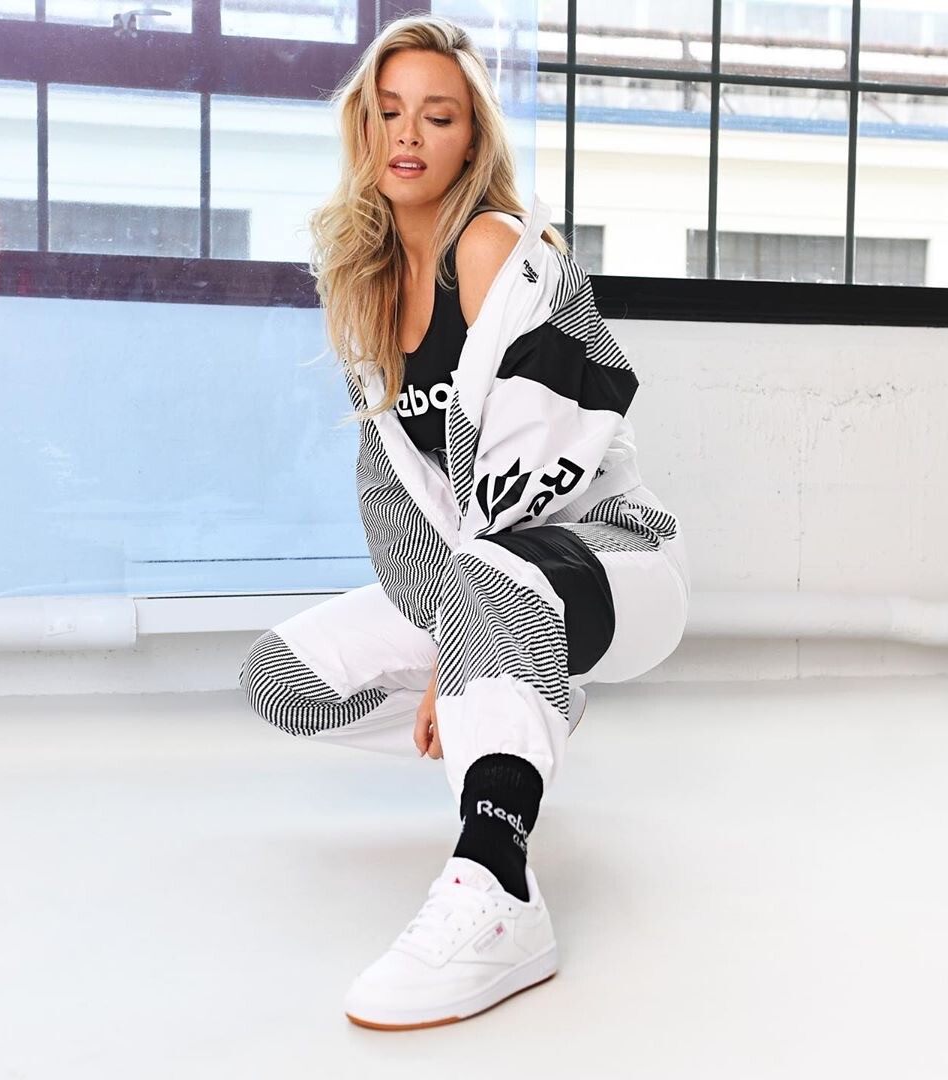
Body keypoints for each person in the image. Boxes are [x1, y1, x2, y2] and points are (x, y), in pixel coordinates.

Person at [238, 14, 691, 1030]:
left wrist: (457, 654)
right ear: (364, 128)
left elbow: (534, 473)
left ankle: (497, 889)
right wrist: (461, 641)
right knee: (281, 679)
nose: (409, 134)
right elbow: (393, 506)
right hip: (481, 585)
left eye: (437, 117)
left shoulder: (495, 252)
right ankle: (523, 707)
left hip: (609, 561)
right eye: (389, 111)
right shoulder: (366, 290)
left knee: (490, 584)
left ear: (470, 138)